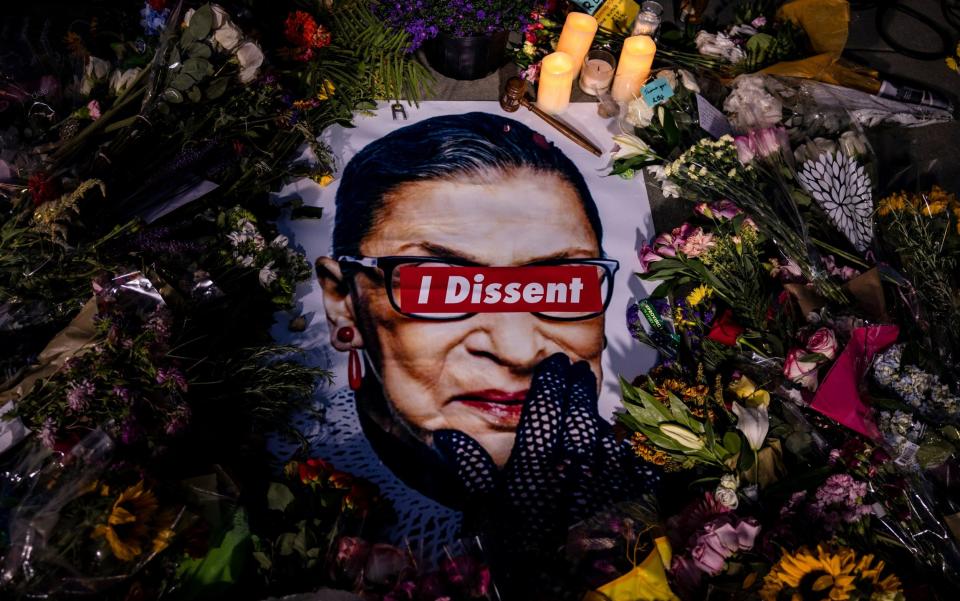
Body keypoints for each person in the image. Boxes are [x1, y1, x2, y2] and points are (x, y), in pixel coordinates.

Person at [308, 113, 659, 581]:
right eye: (441, 287)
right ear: (342, 301)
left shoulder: (668, 469)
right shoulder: (290, 487)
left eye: (558, 286)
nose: (515, 350)